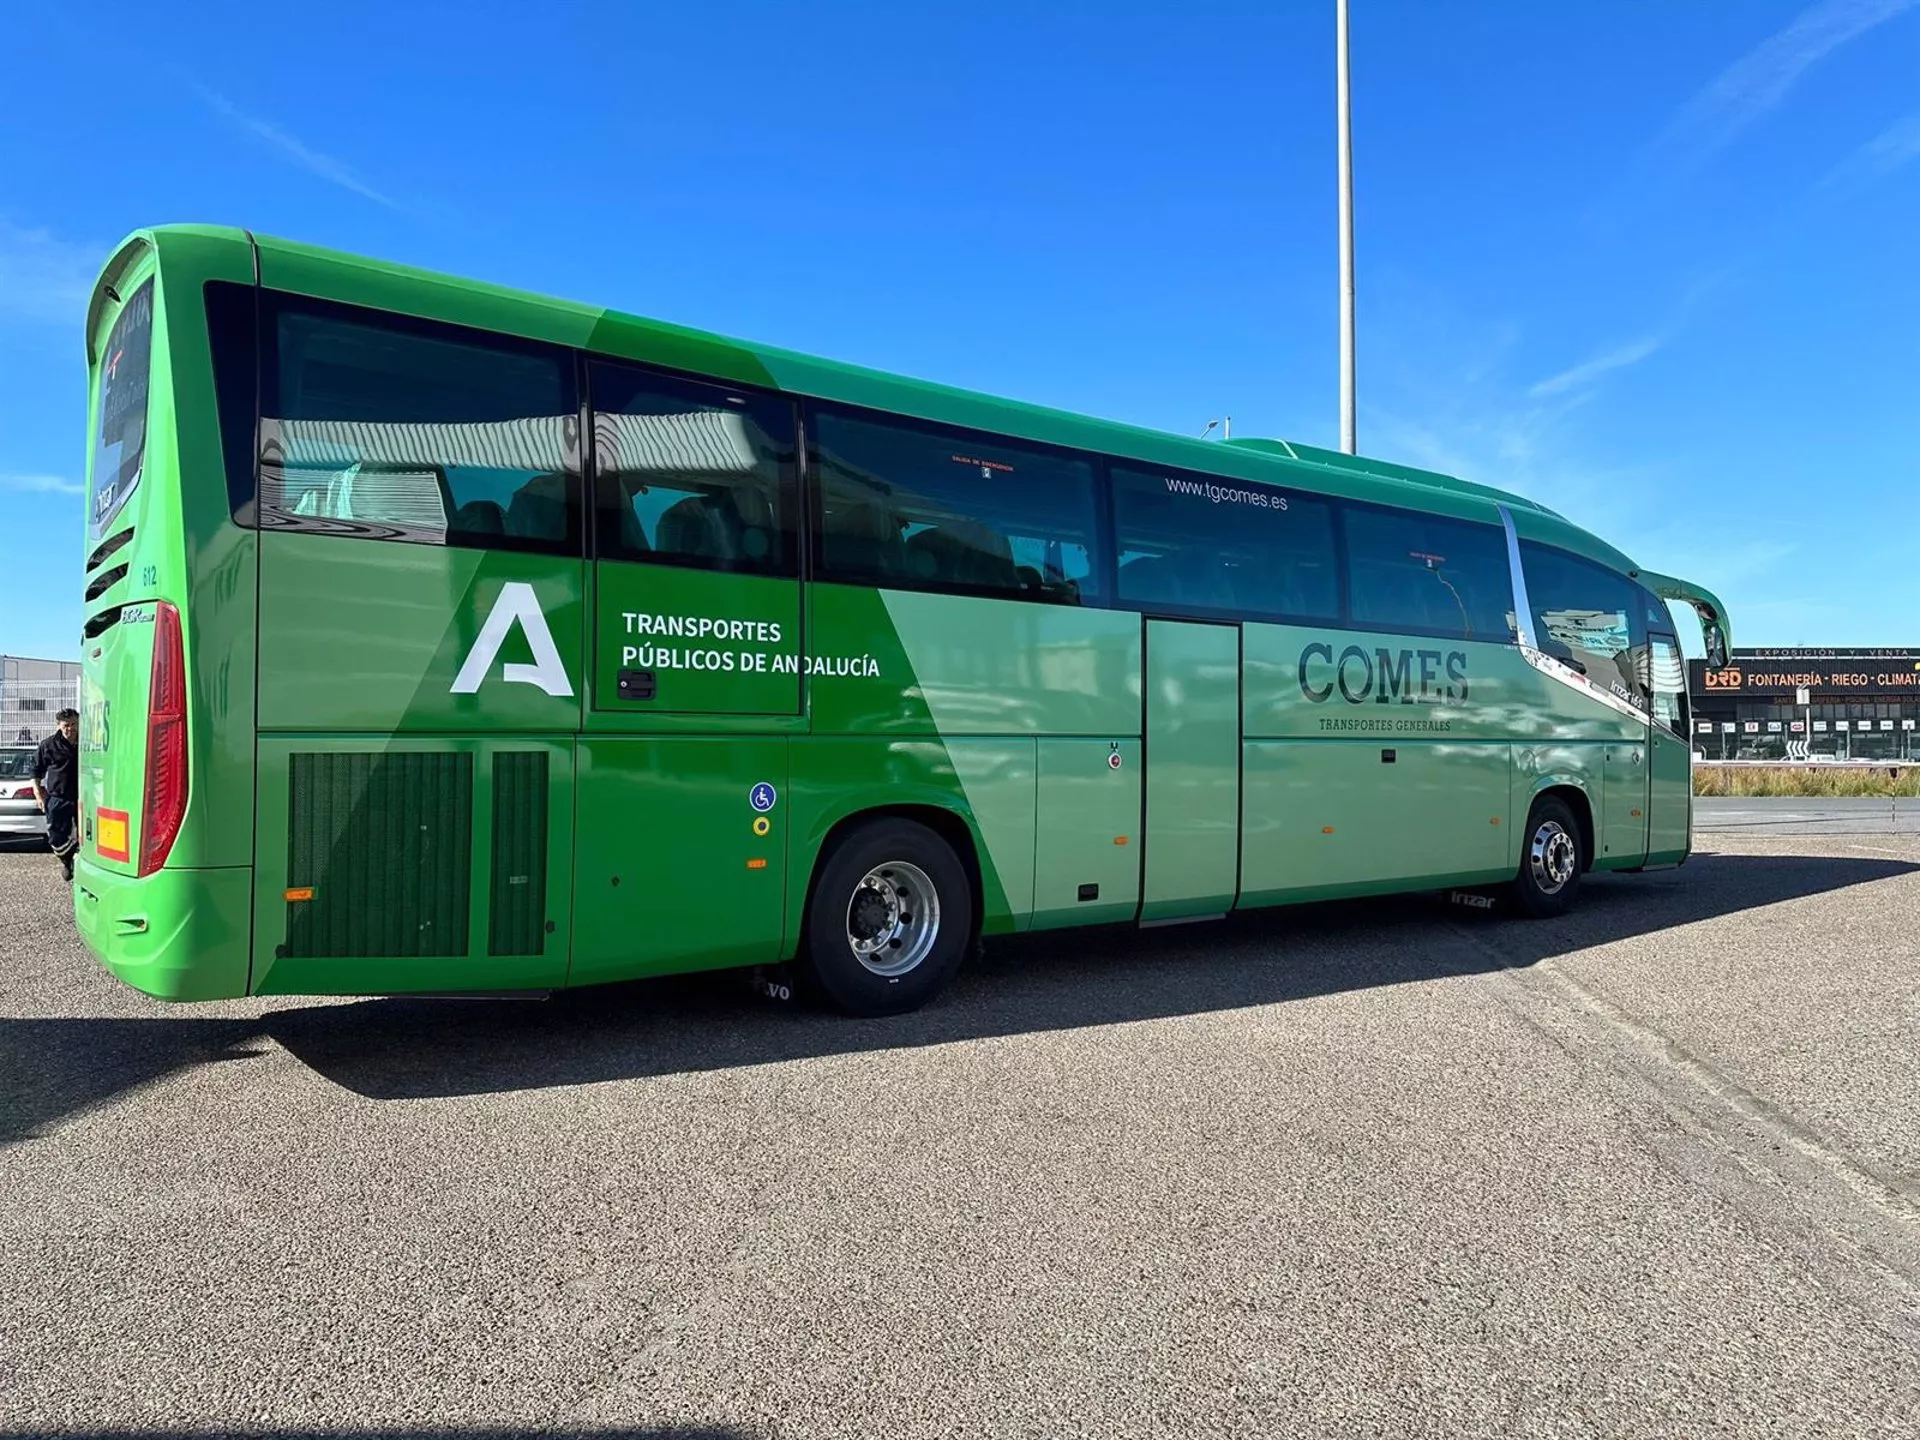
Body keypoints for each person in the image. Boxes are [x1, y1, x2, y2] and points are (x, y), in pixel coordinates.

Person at [31, 708, 79, 883]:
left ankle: (80, 861)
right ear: (59, 725)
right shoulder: (48, 745)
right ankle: (67, 860)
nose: (70, 729)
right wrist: (38, 795)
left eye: (74, 724)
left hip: (84, 798)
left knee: (89, 834)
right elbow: (35, 772)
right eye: (66, 725)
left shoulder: (88, 744)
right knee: (55, 837)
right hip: (58, 798)